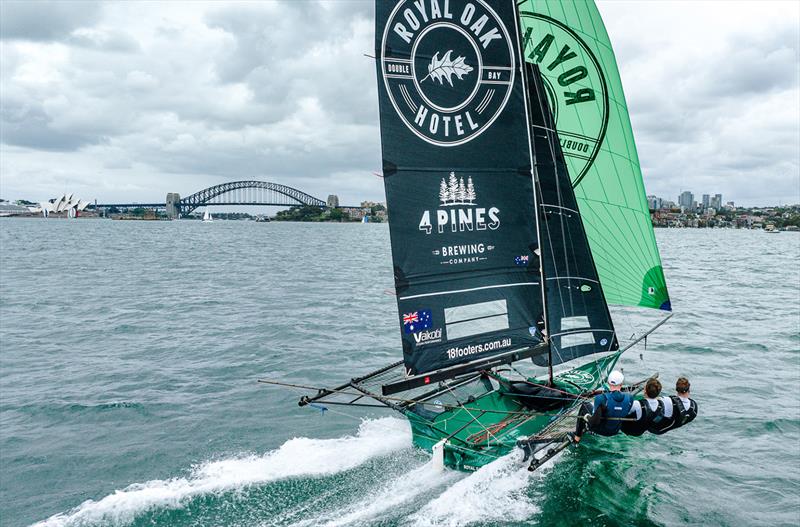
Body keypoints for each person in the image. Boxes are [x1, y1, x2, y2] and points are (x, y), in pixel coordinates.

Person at [570, 370, 633, 443]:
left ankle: (577, 437)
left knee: (585, 405)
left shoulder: (601, 398)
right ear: (621, 384)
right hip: (615, 430)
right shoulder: (629, 397)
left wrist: (587, 417)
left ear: (608, 383)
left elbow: (594, 422)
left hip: (600, 430)